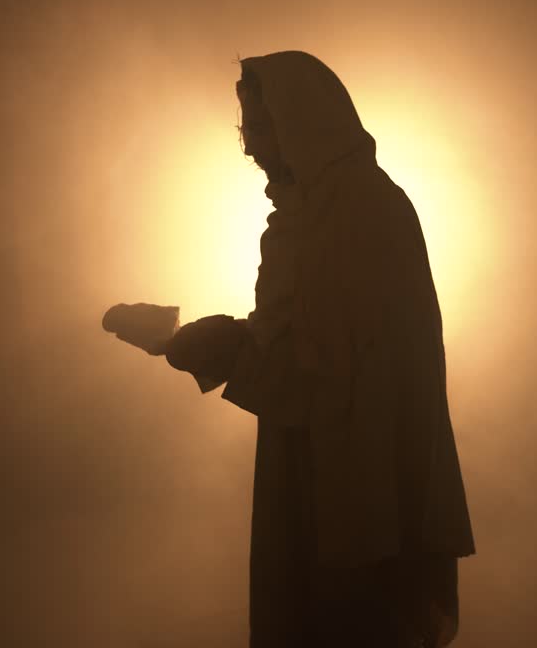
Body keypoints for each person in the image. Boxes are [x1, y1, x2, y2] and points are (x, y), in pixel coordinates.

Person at [163, 51, 475, 648]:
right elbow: (299, 354)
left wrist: (215, 347)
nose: (249, 149)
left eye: (258, 128)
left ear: (300, 122)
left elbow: (331, 376)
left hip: (363, 491)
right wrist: (209, 345)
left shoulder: (364, 219)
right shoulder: (304, 223)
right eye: (242, 131)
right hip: (309, 469)